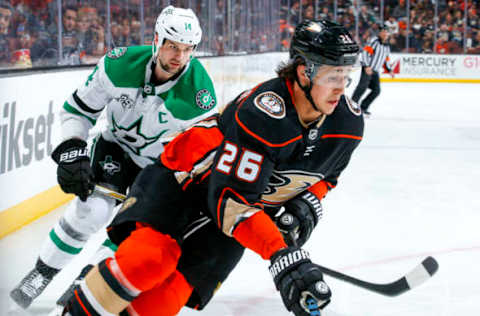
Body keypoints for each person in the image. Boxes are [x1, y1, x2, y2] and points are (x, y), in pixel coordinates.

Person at [58, 19, 363, 316]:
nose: (341, 88)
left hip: (230, 216)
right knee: (148, 261)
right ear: (303, 72)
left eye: (345, 77)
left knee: (164, 300)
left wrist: (307, 203)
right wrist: (281, 255)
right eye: (332, 77)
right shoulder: (264, 114)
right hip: (181, 184)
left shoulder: (348, 124)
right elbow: (231, 203)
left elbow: (326, 177)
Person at [10, 5, 217, 310]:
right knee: (89, 213)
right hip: (115, 148)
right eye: (172, 46)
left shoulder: (199, 95)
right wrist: (72, 149)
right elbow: (78, 110)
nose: (179, 56)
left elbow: (201, 153)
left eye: (187, 49)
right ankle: (40, 273)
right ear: (157, 39)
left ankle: (84, 285)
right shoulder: (119, 64)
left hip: (158, 168)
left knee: (127, 232)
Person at [351, 24, 394, 117]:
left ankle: (363, 107)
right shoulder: (374, 41)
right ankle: (351, 106)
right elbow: (366, 53)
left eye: (386, 32)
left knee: (376, 90)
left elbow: (385, 59)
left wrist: (389, 70)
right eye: (383, 31)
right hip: (368, 69)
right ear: (380, 32)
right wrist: (366, 66)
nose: (385, 33)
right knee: (361, 88)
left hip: (375, 71)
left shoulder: (386, 46)